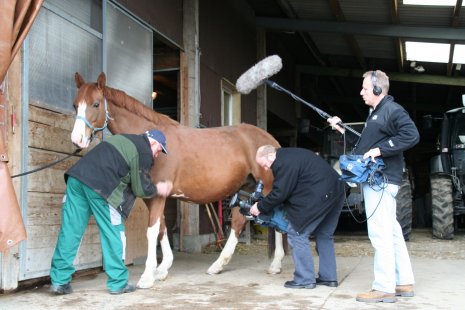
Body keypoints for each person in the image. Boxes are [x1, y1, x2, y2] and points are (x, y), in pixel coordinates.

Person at [328, 70, 419, 303]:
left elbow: (411, 135)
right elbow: (364, 145)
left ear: (378, 90)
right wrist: (342, 129)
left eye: (365, 89)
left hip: (381, 180)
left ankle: (384, 287)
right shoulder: (376, 115)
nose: (361, 92)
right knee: (393, 232)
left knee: (380, 234)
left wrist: (380, 150)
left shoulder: (392, 110)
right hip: (380, 180)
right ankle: (403, 282)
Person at [50, 129, 173, 295]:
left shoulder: (122, 138)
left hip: (76, 180)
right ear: (152, 142)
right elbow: (139, 188)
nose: (157, 155)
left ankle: (59, 281)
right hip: (102, 188)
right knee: (113, 233)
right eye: (159, 150)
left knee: (70, 231)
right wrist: (158, 188)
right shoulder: (144, 151)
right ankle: (118, 283)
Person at [250, 145, 345, 289]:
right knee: (324, 235)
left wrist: (259, 207)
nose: (265, 169)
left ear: (269, 156)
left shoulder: (282, 163)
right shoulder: (291, 155)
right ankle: (328, 277)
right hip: (337, 191)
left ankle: (304, 279)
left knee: (296, 233)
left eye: (264, 165)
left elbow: (280, 193)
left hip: (320, 195)